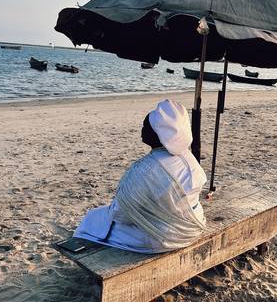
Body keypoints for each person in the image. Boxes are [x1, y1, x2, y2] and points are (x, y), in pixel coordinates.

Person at [74, 99, 207, 253]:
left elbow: (121, 215)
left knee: (92, 219)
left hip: (165, 238)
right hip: (193, 225)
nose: (142, 130)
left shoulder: (144, 171)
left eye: (146, 127)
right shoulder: (189, 159)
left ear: (158, 135)